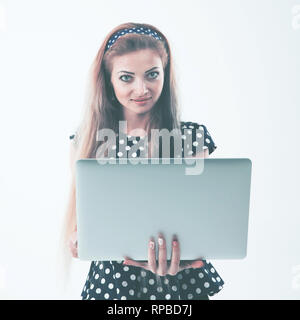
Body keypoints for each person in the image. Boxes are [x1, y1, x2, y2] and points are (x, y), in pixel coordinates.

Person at [64, 22, 225, 300]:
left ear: (165, 74)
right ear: (109, 81)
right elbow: (84, 224)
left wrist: (184, 255)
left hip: (179, 283)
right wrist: (79, 241)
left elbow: (199, 221)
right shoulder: (87, 139)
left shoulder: (192, 137)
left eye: (152, 75)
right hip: (112, 284)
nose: (142, 89)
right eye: (127, 78)